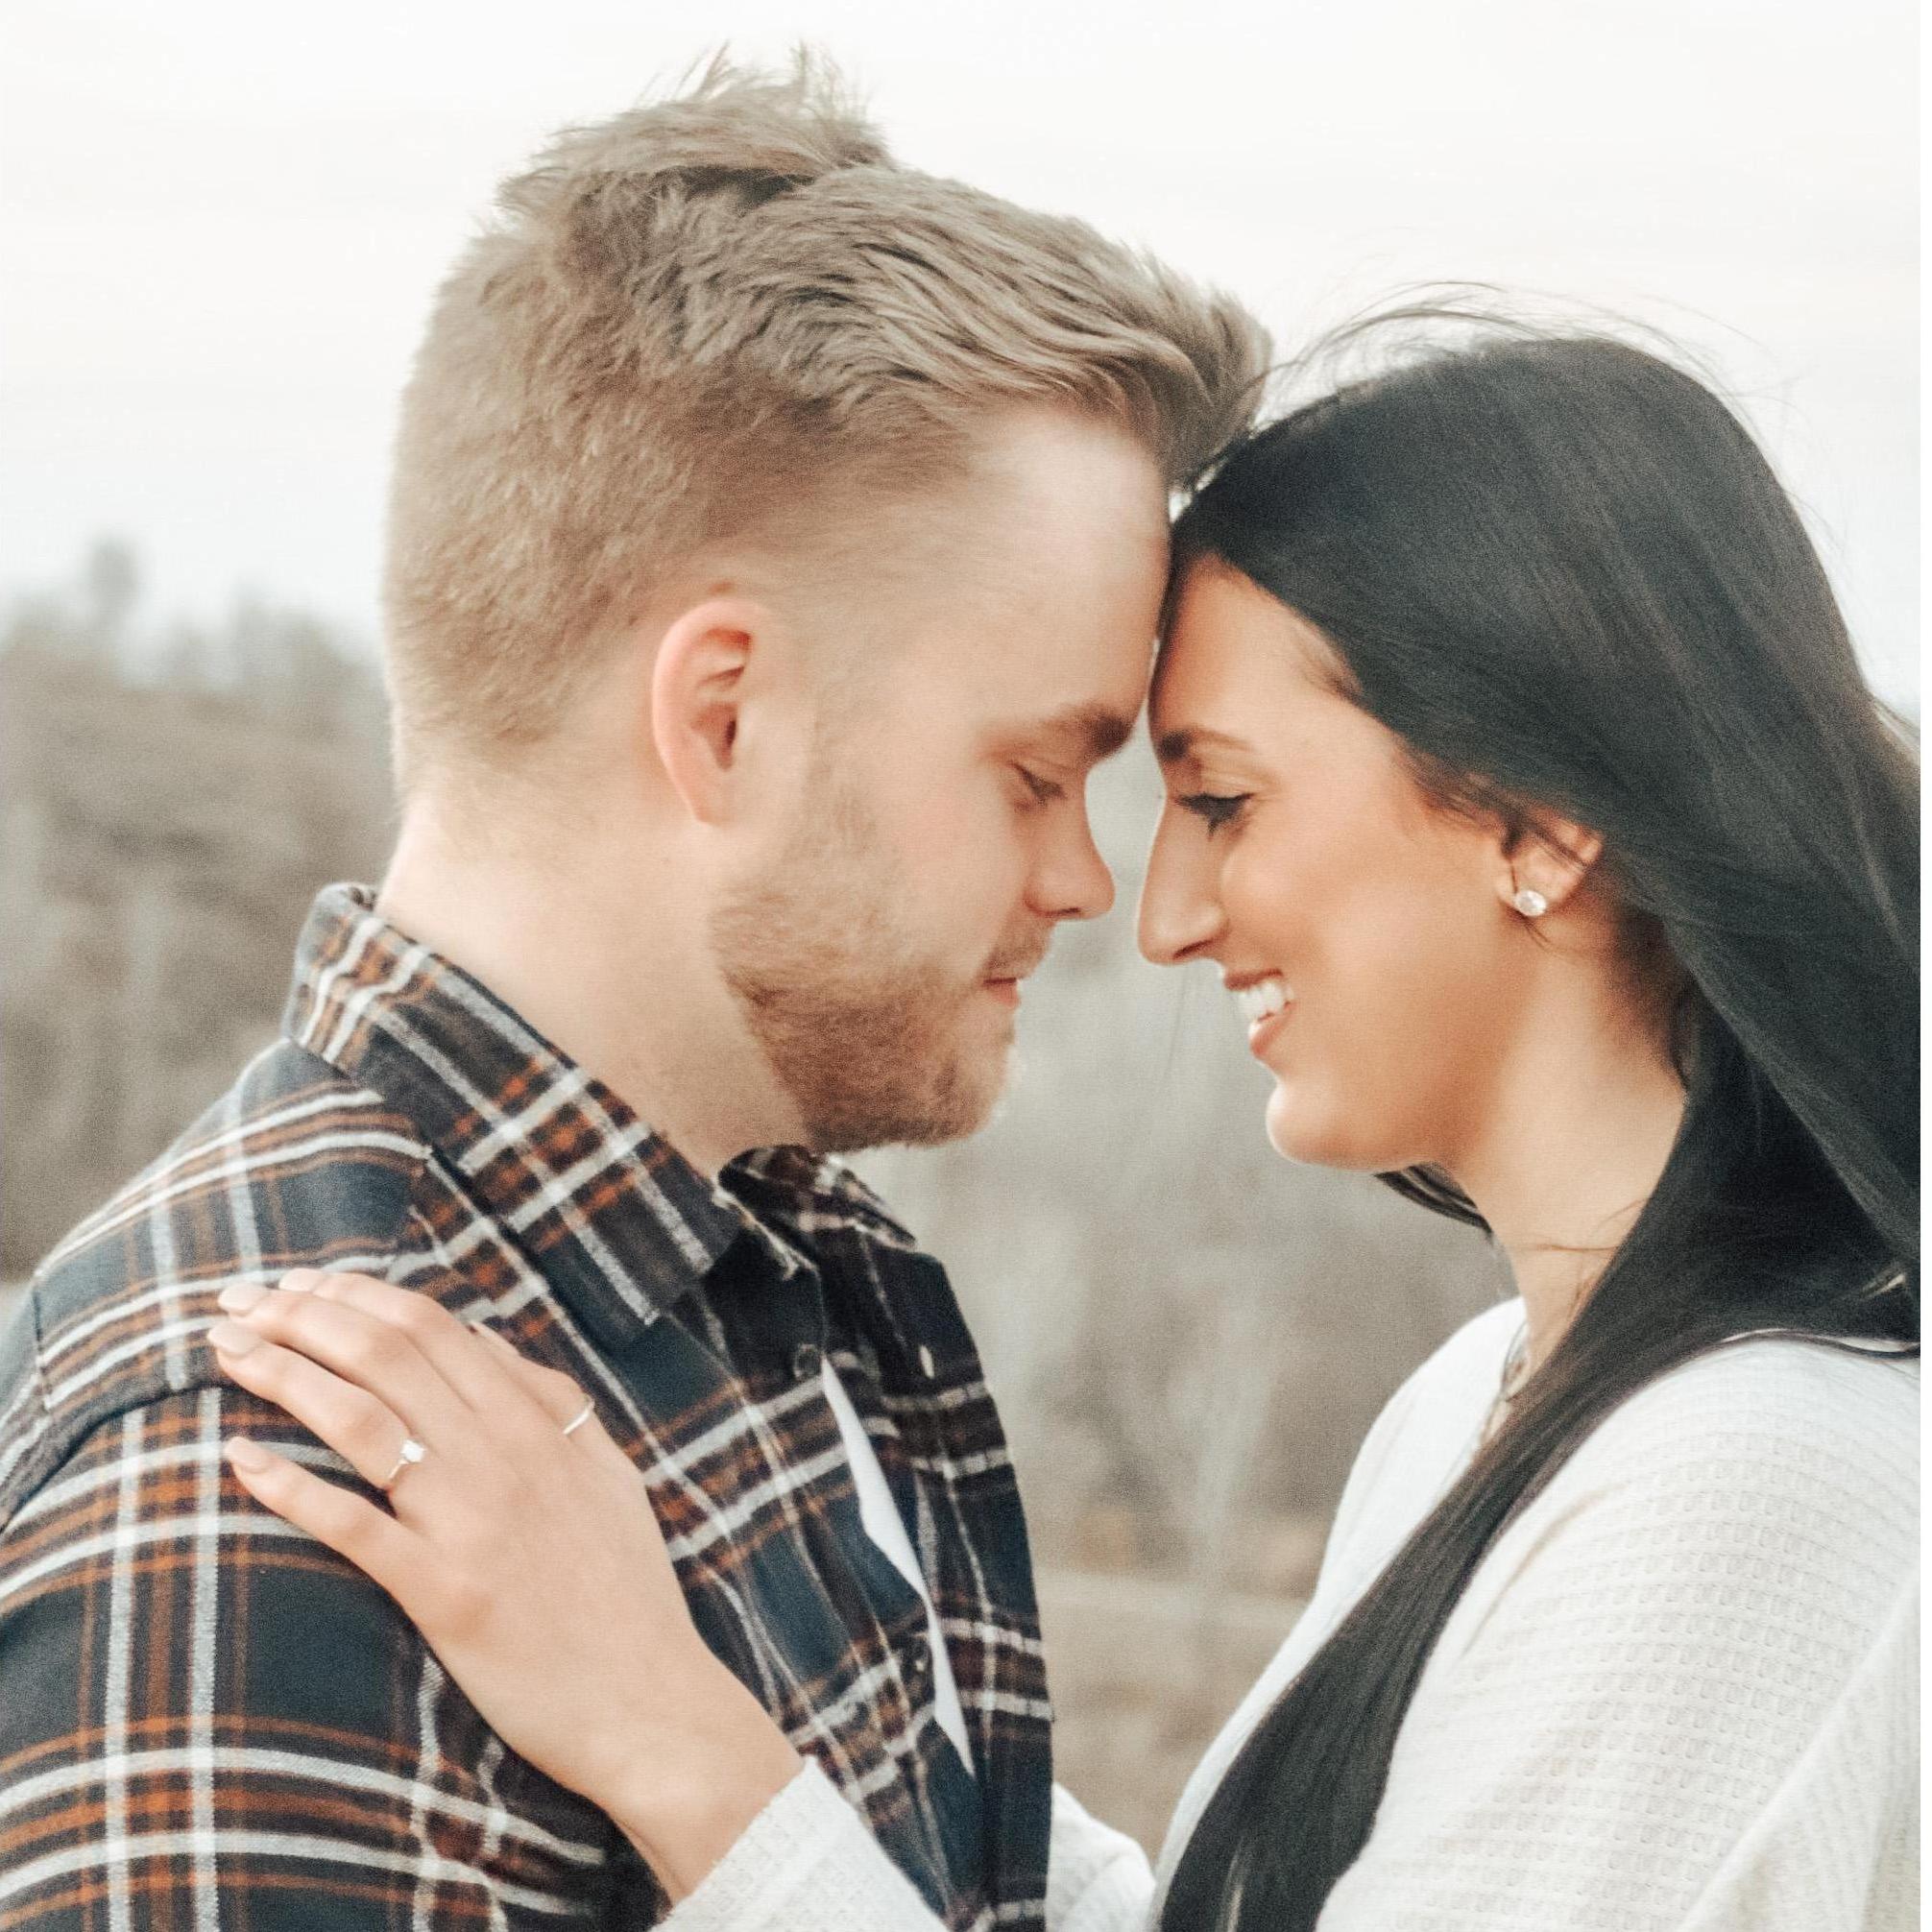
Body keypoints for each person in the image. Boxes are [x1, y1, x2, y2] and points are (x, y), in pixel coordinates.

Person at [199, 323, 1917, 1931]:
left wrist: (669, 1741)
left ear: (1537, 824)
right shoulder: (1487, 1398)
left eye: (1223, 801)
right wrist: (730, 1633)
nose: (1161, 916)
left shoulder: (1748, 1486)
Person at [0, 57, 1267, 1928]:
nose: (1088, 880)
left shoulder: (750, 1283)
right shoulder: (265, 1488)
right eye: (1031, 773)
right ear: (724, 717)